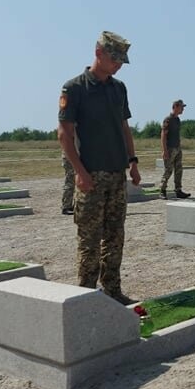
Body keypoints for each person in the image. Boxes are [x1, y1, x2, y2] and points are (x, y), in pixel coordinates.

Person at [57, 31, 140, 305]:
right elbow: (64, 135)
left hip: (117, 175)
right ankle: (86, 296)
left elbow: (124, 127)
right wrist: (80, 172)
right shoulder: (75, 88)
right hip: (90, 176)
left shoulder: (119, 89)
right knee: (89, 241)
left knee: (115, 238)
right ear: (98, 53)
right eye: (114, 59)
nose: (118, 65)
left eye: (121, 61)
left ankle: (112, 291)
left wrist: (133, 161)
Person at [160, 99, 190, 199]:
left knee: (179, 170)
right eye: (182, 107)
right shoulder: (168, 119)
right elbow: (163, 135)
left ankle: (178, 190)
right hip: (170, 149)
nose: (183, 109)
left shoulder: (177, 120)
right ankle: (162, 190)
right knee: (168, 170)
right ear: (176, 107)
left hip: (177, 148)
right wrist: (164, 150)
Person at [60, 132, 79, 215]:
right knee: (70, 182)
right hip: (70, 158)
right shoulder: (72, 129)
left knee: (71, 182)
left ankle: (69, 205)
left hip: (71, 156)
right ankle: (66, 206)